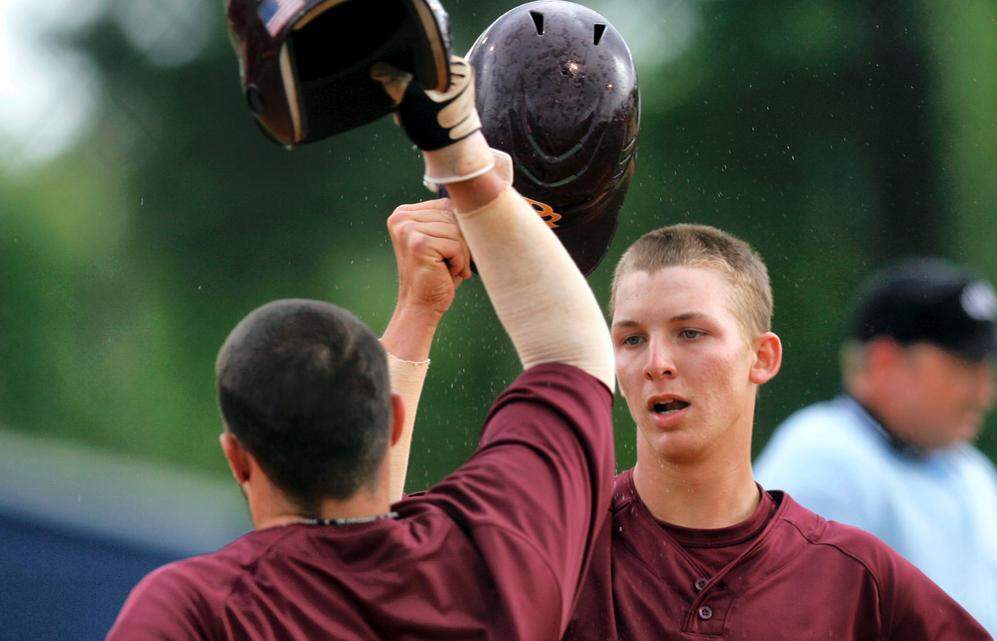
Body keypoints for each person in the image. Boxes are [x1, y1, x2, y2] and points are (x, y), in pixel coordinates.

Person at [106, 55, 615, 641]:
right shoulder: (486, 560)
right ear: (392, 422)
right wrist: (462, 163)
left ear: (238, 459)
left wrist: (417, 310)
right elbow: (572, 355)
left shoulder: (199, 610)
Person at [392, 222, 992, 639]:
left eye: (691, 332)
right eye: (631, 339)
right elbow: (356, 550)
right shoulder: (553, 540)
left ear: (763, 357)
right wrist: (419, 309)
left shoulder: (856, 576)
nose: (656, 361)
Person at [755, 258, 997, 641]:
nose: (986, 393)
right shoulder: (822, 459)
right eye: (965, 367)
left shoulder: (973, 472)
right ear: (885, 364)